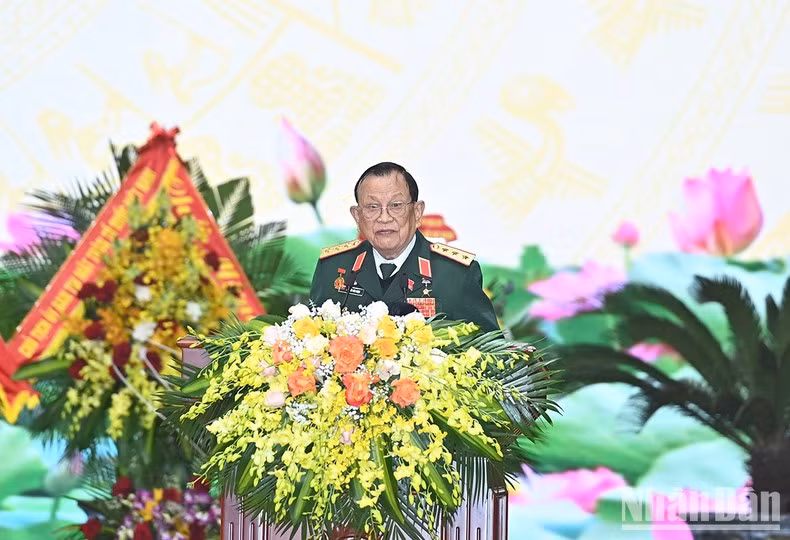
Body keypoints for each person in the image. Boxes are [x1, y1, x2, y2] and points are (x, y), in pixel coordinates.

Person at [309, 162, 499, 332]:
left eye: (396, 205)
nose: (384, 218)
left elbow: (492, 352)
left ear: (417, 212)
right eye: (372, 207)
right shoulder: (333, 268)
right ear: (357, 216)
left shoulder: (455, 273)